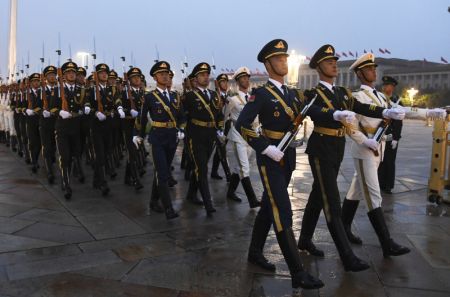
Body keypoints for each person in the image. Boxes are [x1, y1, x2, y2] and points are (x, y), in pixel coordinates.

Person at [235, 39, 347, 290]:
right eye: (278, 58)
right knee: (282, 210)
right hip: (271, 158)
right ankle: (297, 271)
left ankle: (254, 251)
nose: (284, 62)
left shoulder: (293, 93)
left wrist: (334, 115)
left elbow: (312, 111)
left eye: (286, 58)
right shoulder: (261, 94)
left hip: (288, 158)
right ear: (267, 63)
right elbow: (241, 124)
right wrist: (264, 147)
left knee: (268, 205)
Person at [343, 53, 446, 257]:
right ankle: (386, 243)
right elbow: (350, 126)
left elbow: (402, 110)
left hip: (377, 149)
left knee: (355, 190)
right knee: (374, 195)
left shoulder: (381, 97)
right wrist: (365, 141)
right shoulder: (356, 97)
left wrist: (430, 113)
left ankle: (344, 228)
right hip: (365, 150)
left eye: (374, 68)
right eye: (369, 68)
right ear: (360, 73)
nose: (374, 71)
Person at [140, 61, 184, 219]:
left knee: (161, 171)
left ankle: (153, 201)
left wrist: (182, 129)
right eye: (161, 74)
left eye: (167, 74)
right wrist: (137, 134)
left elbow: (181, 116)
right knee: (163, 173)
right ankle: (168, 209)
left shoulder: (175, 96)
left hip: (172, 137)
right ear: (155, 77)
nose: (165, 76)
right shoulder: (150, 96)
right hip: (157, 138)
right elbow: (142, 117)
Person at [183, 62, 224, 216]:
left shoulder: (214, 95)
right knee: (202, 169)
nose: (205, 78)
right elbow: (182, 116)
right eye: (202, 75)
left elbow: (219, 115)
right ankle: (208, 203)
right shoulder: (189, 96)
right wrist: (182, 132)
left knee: (200, 166)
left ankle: (191, 194)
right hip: (196, 136)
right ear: (195, 78)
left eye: (207, 75)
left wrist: (219, 129)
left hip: (210, 136)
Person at [223, 67, 261, 207]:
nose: (246, 80)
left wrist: (258, 129)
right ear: (238, 81)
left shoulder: (252, 97)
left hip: (251, 136)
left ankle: (230, 192)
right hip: (238, 136)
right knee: (244, 168)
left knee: (239, 167)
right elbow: (224, 116)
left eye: (247, 78)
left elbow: (255, 116)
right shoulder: (232, 99)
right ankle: (252, 200)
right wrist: (221, 132)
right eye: (242, 78)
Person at [378, 76, 402, 194]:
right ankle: (378, 182)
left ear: (392, 87)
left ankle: (387, 185)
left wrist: (396, 138)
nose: (385, 87)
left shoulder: (397, 101)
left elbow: (398, 122)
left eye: (387, 85)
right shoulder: (378, 99)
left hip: (391, 135)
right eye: (384, 85)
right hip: (379, 134)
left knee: (389, 161)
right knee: (379, 160)